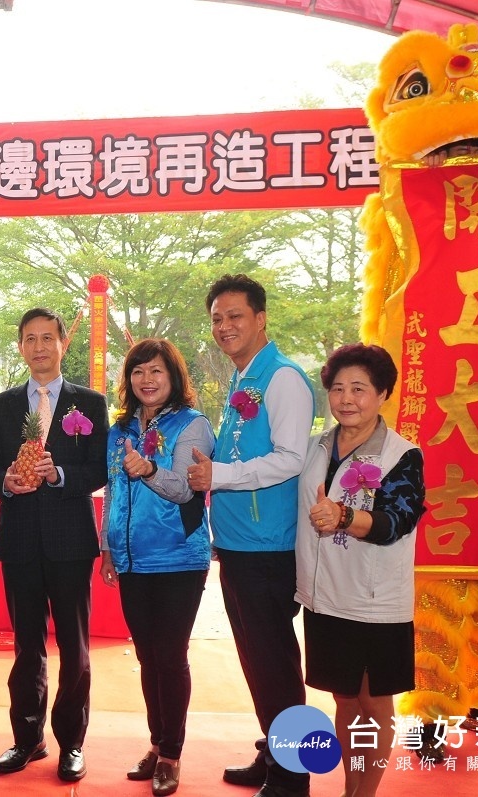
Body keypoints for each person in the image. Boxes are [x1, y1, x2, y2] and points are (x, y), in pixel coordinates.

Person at [186, 275, 314, 797]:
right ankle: (274, 750)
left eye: (235, 315)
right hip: (238, 544)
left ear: (261, 319)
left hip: (269, 547)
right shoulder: (245, 379)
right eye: (217, 318)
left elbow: (291, 459)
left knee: (277, 664)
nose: (225, 326)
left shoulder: (283, 378)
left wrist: (219, 475)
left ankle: (295, 775)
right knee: (257, 658)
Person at [0, 307, 109, 783]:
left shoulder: (90, 405)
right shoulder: (1, 406)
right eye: (30, 339)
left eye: (47, 338)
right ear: (20, 347)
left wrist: (59, 474)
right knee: (26, 647)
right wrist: (8, 481)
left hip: (71, 542)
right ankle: (27, 738)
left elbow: (99, 468)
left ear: (63, 344)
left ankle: (71, 743)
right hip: (18, 542)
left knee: (74, 648)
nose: (39, 347)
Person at [297, 344, 425, 797]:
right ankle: (351, 788)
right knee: (345, 700)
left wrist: (346, 517)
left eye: (359, 389)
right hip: (325, 596)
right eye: (337, 388)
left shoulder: (401, 454)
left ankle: (363, 794)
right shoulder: (316, 447)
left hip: (374, 602)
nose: (346, 399)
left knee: (374, 705)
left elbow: (397, 521)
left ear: (383, 393)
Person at [100, 339, 215, 797]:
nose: (146, 380)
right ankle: (156, 741)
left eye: (156, 372)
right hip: (131, 559)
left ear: (174, 377)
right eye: (138, 372)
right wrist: (108, 547)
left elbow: (188, 491)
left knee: (170, 655)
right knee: (149, 657)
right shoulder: (120, 428)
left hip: (178, 558)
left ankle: (171, 754)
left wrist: (148, 469)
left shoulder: (193, 425)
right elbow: (111, 490)